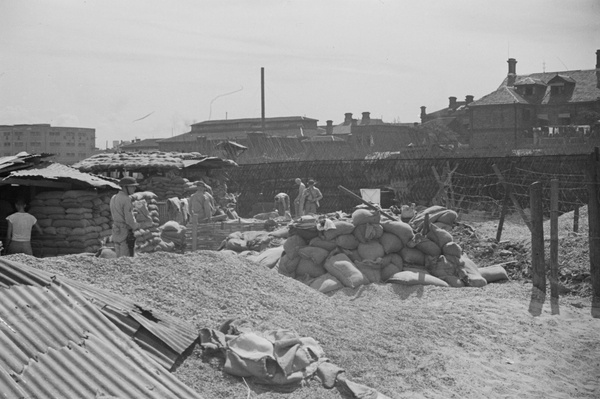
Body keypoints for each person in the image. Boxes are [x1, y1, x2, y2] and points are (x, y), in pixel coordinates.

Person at [110, 176, 140, 257]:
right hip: (125, 232)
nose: (134, 188)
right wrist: (136, 226)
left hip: (116, 230)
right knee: (126, 258)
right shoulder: (126, 199)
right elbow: (129, 219)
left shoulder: (114, 197)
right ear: (125, 187)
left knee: (118, 256)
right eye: (132, 186)